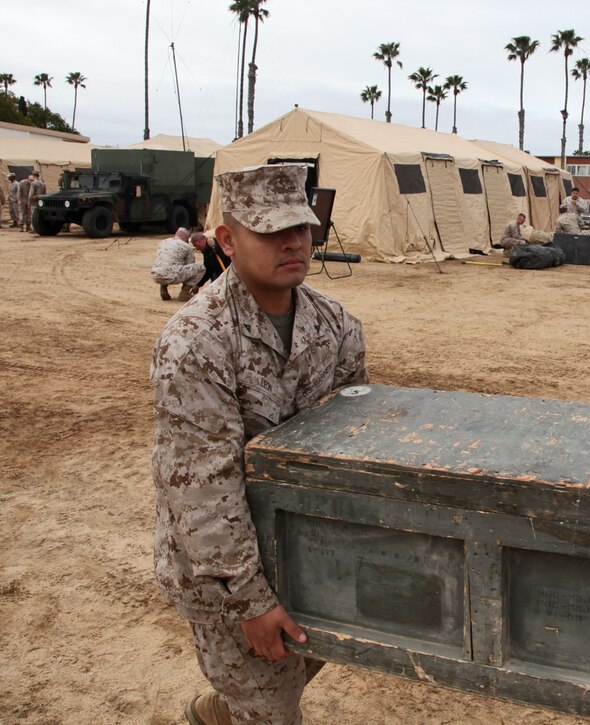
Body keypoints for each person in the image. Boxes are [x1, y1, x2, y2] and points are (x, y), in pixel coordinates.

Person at [151, 163, 369, 725]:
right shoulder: (195, 342)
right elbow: (204, 487)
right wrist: (250, 600)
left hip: (308, 556)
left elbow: (351, 444)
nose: (293, 242)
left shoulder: (336, 325)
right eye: (271, 231)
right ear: (227, 241)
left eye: (300, 227)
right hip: (227, 572)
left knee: (298, 666)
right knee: (271, 706)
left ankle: (224, 710)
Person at [152, 227, 205, 302]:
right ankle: (185, 293)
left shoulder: (163, 242)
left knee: (166, 265)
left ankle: (163, 289)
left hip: (156, 275)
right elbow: (190, 265)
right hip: (172, 275)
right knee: (200, 268)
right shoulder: (186, 246)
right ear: (186, 238)